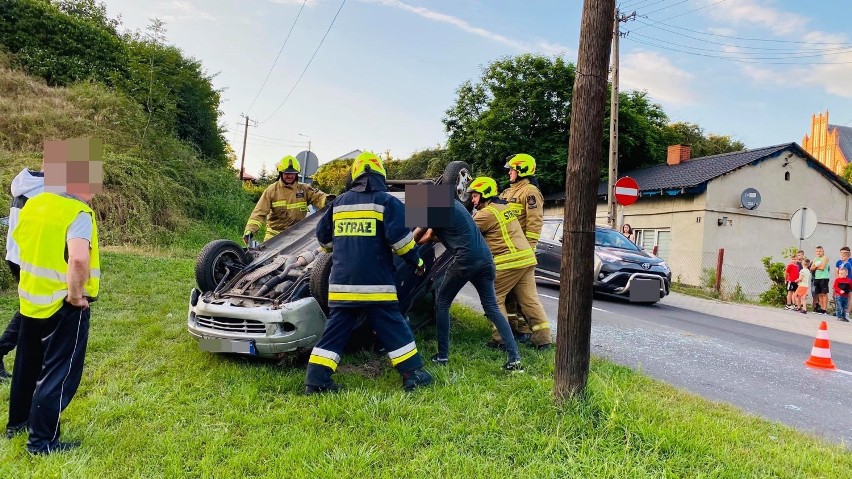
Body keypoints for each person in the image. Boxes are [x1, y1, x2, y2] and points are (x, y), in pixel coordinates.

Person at [304, 152, 432, 394]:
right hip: (376, 285)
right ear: (380, 174)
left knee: (334, 333)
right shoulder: (387, 202)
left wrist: (343, 246)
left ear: (356, 175)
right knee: (394, 328)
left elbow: (324, 240)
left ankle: (316, 382)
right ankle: (413, 374)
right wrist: (417, 260)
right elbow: (402, 243)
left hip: (342, 286)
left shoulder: (339, 203)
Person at [7, 138, 101, 454]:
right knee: (59, 372)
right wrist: (76, 297)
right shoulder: (77, 212)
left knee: (27, 364)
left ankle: (16, 424)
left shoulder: (32, 205)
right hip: (64, 304)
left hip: (31, 298)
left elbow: (20, 250)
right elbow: (77, 259)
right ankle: (41, 441)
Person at [412, 186, 523, 370]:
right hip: (486, 259)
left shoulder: (433, 207)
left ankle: (442, 356)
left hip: (465, 260)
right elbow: (432, 235)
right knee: (492, 307)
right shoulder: (455, 205)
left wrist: (402, 248)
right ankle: (514, 357)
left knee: (442, 302)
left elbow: (417, 235)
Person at [468, 177, 552, 350]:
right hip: (526, 259)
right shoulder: (503, 207)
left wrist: (433, 230)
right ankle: (543, 340)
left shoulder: (487, 213)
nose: (472, 200)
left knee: (493, 299)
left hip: (509, 261)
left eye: (475, 196)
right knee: (530, 300)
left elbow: (464, 231)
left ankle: (501, 340)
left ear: (484, 194)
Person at [1, 167, 44, 380]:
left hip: (15, 255)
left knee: (31, 308)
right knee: (31, 310)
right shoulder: (46, 191)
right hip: (29, 258)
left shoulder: (24, 183)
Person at [498, 153, 545, 342]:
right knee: (510, 296)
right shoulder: (507, 192)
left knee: (524, 297)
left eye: (512, 169)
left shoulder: (530, 192)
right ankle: (514, 329)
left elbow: (535, 223)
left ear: (522, 169)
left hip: (521, 253)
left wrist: (529, 248)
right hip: (506, 252)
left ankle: (528, 332)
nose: (509, 172)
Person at [243, 155, 330, 244]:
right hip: (274, 236)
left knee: (299, 257)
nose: (289, 176)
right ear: (281, 173)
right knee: (269, 257)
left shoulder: (304, 189)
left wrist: (328, 200)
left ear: (296, 174)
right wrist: (250, 230)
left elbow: (318, 197)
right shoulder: (271, 190)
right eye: (286, 174)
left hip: (297, 236)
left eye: (292, 174)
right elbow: (259, 212)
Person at [810, 246, 830, 314]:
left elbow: (822, 268)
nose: (818, 253)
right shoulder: (815, 258)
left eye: (820, 251)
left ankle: (825, 309)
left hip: (824, 277)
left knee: (824, 293)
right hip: (817, 277)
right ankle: (821, 308)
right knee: (819, 293)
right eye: (817, 251)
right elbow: (811, 268)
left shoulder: (825, 258)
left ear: (823, 251)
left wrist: (815, 266)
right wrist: (816, 266)